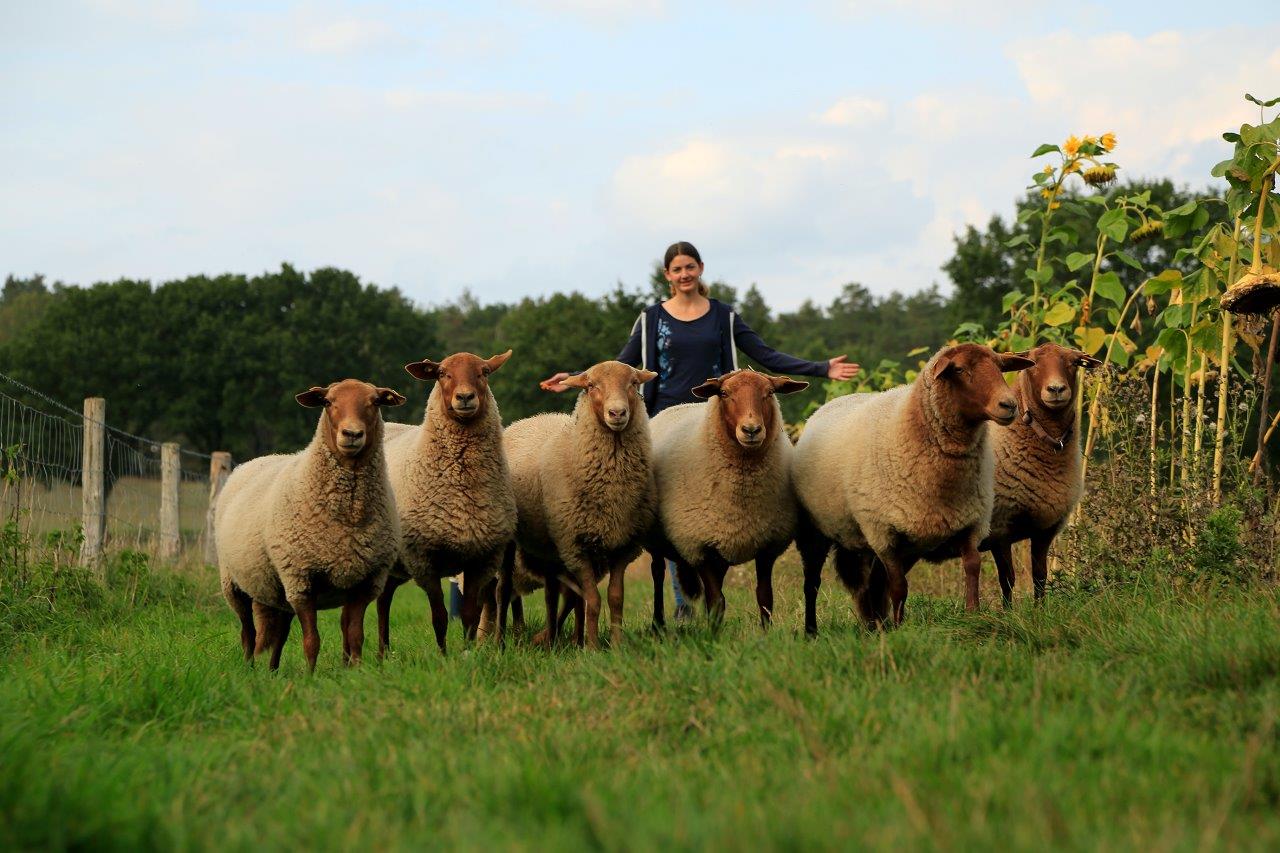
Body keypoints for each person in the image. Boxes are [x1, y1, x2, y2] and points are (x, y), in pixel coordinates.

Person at [540, 241, 859, 619]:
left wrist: (821, 368)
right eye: (677, 269)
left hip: (718, 414)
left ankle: (706, 599)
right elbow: (623, 364)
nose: (684, 274)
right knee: (678, 509)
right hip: (666, 420)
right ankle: (681, 603)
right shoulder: (651, 319)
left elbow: (764, 355)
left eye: (689, 267)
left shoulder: (722, 317)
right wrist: (575, 378)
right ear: (667, 276)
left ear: (700, 269)